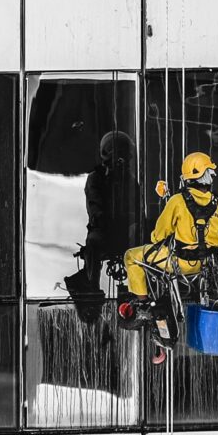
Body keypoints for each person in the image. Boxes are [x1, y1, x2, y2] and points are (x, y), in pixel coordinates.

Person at [120, 150, 218, 359]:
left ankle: (143, 304)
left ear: (188, 177)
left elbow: (158, 235)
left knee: (131, 257)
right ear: (208, 177)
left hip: (177, 263)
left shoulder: (177, 202)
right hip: (203, 266)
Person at [65, 129, 138, 321]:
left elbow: (137, 209)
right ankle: (91, 292)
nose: (122, 162)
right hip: (104, 232)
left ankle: (138, 292)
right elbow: (96, 209)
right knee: (95, 242)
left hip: (123, 234)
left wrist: (130, 224)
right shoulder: (96, 178)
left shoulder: (129, 182)